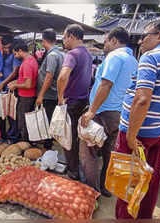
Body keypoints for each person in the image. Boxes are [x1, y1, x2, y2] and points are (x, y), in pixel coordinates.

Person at [115, 20, 160, 219]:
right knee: (151, 182)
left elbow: (142, 99)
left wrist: (131, 135)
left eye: (145, 35)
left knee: (127, 185)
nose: (140, 41)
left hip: (139, 135)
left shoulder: (151, 57)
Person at [79, 27, 138, 197]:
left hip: (103, 112)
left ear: (114, 40)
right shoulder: (133, 60)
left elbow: (106, 85)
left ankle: (92, 191)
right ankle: (104, 186)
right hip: (120, 113)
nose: (104, 45)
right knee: (109, 152)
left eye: (105, 41)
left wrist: (91, 111)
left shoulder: (114, 56)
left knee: (89, 150)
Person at [57, 24, 92, 180]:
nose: (64, 41)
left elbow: (63, 76)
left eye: (64, 37)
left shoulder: (72, 54)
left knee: (68, 138)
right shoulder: (88, 54)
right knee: (77, 138)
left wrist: (60, 98)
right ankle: (76, 167)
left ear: (71, 36)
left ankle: (73, 172)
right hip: (83, 100)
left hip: (71, 101)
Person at [36, 29, 64, 150]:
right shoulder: (59, 53)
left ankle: (47, 147)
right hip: (52, 93)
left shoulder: (52, 55)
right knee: (49, 119)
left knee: (47, 120)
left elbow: (49, 76)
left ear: (44, 41)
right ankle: (48, 143)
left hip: (49, 94)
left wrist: (40, 95)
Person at [8, 40, 38, 142]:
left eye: (15, 54)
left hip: (26, 97)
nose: (15, 56)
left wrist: (15, 85)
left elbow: (28, 84)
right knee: (25, 121)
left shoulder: (27, 64)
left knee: (23, 122)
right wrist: (15, 82)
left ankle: (25, 144)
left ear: (20, 51)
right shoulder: (31, 60)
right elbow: (25, 80)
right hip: (28, 95)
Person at [0, 36, 22, 144]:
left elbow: (15, 72)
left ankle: (14, 137)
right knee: (6, 112)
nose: (6, 50)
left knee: (12, 114)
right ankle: (8, 134)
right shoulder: (5, 55)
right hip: (5, 88)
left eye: (7, 47)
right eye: (4, 48)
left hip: (12, 88)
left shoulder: (14, 56)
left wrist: (3, 82)